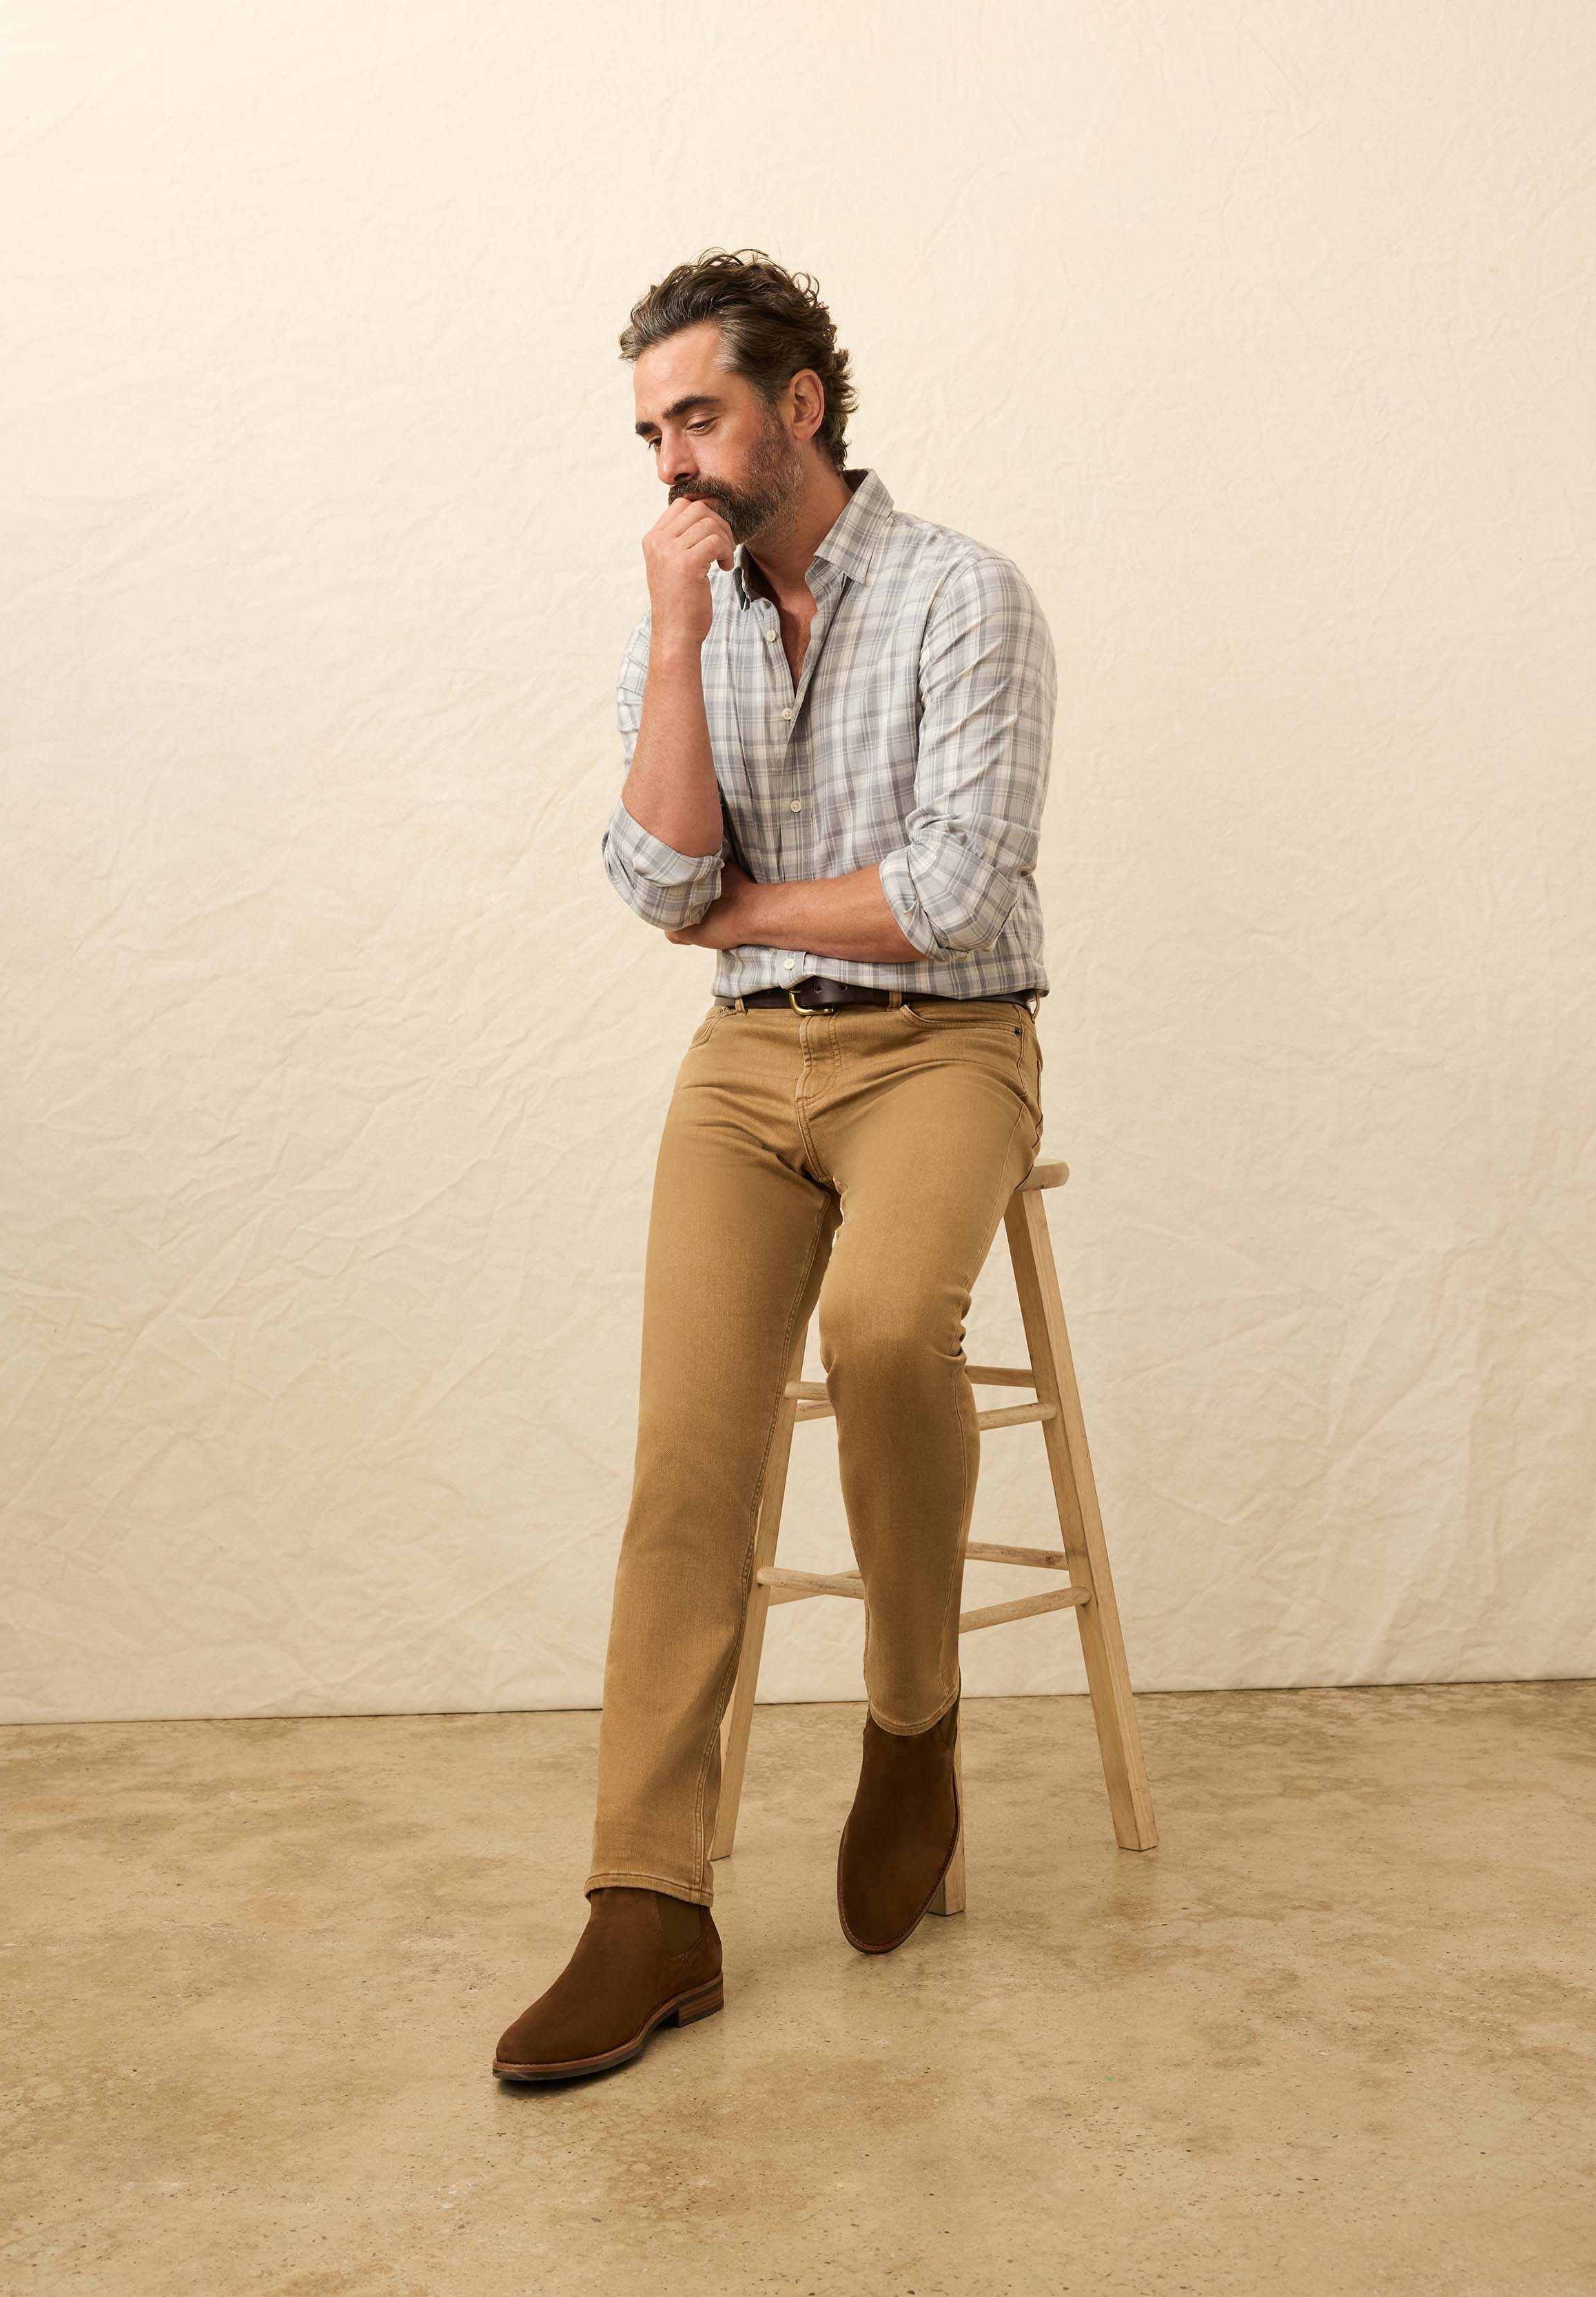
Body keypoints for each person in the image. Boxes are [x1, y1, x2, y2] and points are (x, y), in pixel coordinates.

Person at [493, 248, 1055, 2083]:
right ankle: (649, 1903)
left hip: (944, 1046)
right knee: (687, 1455)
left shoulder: (964, 595)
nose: (671, 459)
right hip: (747, 1068)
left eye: (699, 416)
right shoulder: (689, 615)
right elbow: (655, 879)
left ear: (797, 405)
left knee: (886, 1331)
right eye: (650, 431)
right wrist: (672, 639)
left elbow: (949, 892)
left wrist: (738, 909)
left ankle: (913, 1721)